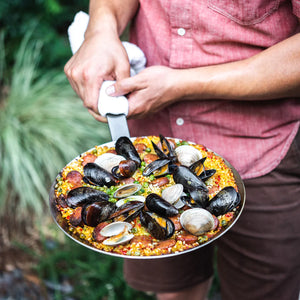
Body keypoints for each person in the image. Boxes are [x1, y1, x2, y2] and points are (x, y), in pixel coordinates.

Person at [64, 1, 300, 299]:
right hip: (150, 140)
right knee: (174, 293)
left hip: (261, 147)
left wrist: (181, 84)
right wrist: (101, 29)